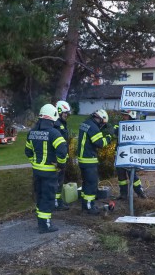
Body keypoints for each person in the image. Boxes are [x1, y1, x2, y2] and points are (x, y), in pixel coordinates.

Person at [26, 104, 68, 233]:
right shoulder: (54, 133)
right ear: (53, 117)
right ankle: (46, 226)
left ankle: (41, 222)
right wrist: (60, 165)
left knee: (40, 196)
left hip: (36, 171)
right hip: (49, 172)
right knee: (48, 198)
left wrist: (35, 163)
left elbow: (28, 152)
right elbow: (62, 152)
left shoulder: (32, 132)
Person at [77, 109, 114, 214]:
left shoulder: (85, 123)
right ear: (100, 119)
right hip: (89, 159)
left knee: (86, 183)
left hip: (82, 159)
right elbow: (100, 143)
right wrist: (109, 136)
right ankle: (89, 208)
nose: (102, 126)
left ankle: (85, 205)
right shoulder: (93, 127)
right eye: (103, 123)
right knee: (92, 184)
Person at [114, 110, 147, 200]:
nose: (123, 117)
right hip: (120, 154)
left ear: (131, 116)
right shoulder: (120, 124)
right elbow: (116, 131)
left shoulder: (136, 126)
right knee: (121, 176)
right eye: (123, 115)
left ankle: (140, 192)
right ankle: (123, 194)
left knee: (132, 174)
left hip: (131, 155)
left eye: (125, 116)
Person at [54, 100, 71, 210]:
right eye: (65, 113)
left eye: (67, 113)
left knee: (60, 182)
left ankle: (58, 202)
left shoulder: (61, 124)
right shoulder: (56, 125)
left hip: (62, 158)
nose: (66, 115)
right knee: (57, 182)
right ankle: (56, 203)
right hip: (57, 160)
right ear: (59, 112)